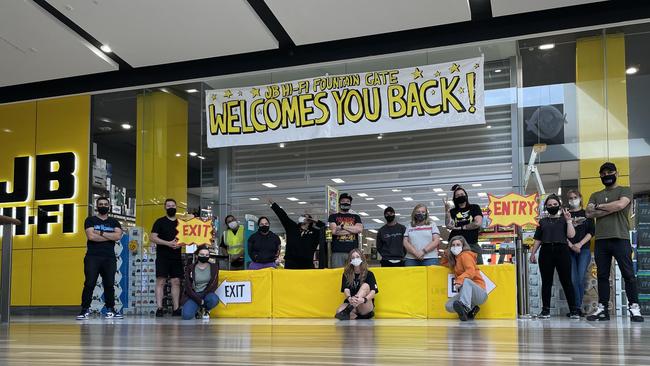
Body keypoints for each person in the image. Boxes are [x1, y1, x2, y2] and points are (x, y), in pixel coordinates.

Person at [586, 162, 644, 322]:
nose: (606, 176)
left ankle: (634, 308)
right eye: (603, 174)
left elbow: (620, 204)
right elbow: (589, 213)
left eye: (609, 172)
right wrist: (610, 208)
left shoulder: (624, 190)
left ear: (616, 173)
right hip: (601, 241)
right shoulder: (595, 194)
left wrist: (600, 208)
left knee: (629, 275)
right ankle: (602, 310)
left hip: (621, 238)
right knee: (602, 276)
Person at [529, 194, 580, 319]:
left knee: (567, 281)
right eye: (550, 205)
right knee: (546, 282)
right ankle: (545, 311)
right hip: (546, 251)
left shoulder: (564, 219)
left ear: (559, 205)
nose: (552, 207)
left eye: (555, 205)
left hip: (562, 250)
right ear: (546, 207)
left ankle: (573, 310)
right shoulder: (542, 221)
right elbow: (538, 239)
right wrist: (533, 253)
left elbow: (571, 235)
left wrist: (569, 221)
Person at [77, 197, 123, 320]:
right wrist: (110, 236)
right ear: (97, 206)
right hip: (92, 257)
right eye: (101, 204)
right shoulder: (90, 220)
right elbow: (91, 236)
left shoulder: (114, 221)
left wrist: (101, 233)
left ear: (109, 206)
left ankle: (111, 309)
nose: (103, 206)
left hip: (109, 258)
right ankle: (84, 310)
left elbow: (118, 236)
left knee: (109, 284)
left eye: (105, 204)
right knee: (89, 283)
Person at [268, 198, 325, 269]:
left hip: (306, 263)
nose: (303, 217)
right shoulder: (292, 227)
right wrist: (273, 205)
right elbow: (283, 216)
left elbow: (326, 229)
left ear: (310, 220)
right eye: (302, 215)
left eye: (305, 216)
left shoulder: (315, 232)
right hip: (291, 262)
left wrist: (316, 222)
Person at [441, 236, 487, 321]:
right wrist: (445, 254)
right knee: (448, 306)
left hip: (480, 293)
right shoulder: (455, 260)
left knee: (466, 281)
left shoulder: (466, 255)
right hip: (468, 295)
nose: (455, 247)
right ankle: (471, 310)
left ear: (463, 246)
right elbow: (444, 264)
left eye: (458, 244)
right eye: (453, 245)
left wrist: (459, 280)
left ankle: (465, 307)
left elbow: (471, 271)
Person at [150, 198, 182, 317]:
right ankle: (159, 308)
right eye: (168, 206)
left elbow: (187, 238)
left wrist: (179, 244)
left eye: (173, 205)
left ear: (176, 207)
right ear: (165, 207)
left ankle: (176, 308)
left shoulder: (180, 223)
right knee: (160, 281)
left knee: (176, 281)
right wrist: (168, 243)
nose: (171, 207)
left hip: (176, 257)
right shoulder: (159, 222)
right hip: (162, 256)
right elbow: (152, 237)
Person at [566, 189, 595, 317]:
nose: (573, 200)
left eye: (575, 197)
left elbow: (591, 232)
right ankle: (576, 308)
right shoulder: (565, 215)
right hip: (569, 250)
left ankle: (576, 307)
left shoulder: (587, 214)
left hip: (583, 249)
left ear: (580, 198)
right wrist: (572, 245)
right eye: (570, 198)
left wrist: (579, 244)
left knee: (580, 278)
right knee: (573, 279)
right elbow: (562, 233)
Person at [445, 185, 484, 264]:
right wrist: (447, 212)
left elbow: (477, 223)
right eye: (457, 195)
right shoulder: (452, 211)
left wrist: (460, 228)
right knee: (452, 269)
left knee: (479, 268)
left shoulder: (474, 207)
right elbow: (448, 225)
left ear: (466, 196)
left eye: (462, 194)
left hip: (471, 243)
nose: (460, 196)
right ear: (455, 198)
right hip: (454, 245)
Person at [335, 249, 378, 320]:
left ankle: (349, 310)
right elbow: (346, 289)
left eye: (357, 257)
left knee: (365, 285)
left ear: (362, 258)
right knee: (339, 311)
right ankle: (359, 317)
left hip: (364, 303)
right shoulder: (346, 274)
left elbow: (373, 292)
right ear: (350, 260)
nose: (355, 259)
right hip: (351, 302)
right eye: (353, 257)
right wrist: (349, 298)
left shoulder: (369, 274)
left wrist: (363, 300)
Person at [181, 245, 219, 320]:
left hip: (207, 294)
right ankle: (197, 309)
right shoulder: (190, 268)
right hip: (193, 295)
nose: (204, 256)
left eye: (207, 255)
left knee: (214, 299)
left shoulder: (214, 267)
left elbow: (214, 285)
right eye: (202, 254)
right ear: (197, 255)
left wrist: (203, 299)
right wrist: (198, 300)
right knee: (186, 316)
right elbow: (188, 287)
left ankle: (206, 309)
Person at [328, 193, 363, 268]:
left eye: (348, 201)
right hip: (337, 252)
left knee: (353, 275)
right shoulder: (333, 216)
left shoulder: (356, 217)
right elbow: (333, 231)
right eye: (343, 201)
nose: (345, 203)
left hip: (353, 253)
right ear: (339, 203)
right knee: (337, 275)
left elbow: (359, 229)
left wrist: (342, 226)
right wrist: (352, 230)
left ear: (350, 203)